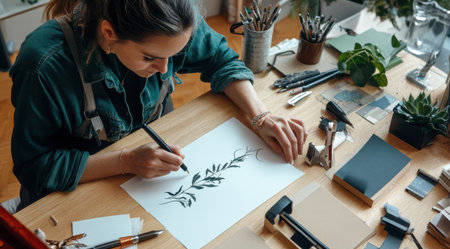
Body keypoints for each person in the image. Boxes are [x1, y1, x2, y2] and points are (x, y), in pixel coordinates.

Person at [10, 0, 307, 211]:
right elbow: (34, 166)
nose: (165, 69)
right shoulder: (44, 65)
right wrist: (125, 162)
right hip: (79, 192)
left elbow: (222, 60)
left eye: (174, 55)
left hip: (153, 182)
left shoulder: (175, 19)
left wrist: (261, 116)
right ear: (109, 33)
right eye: (150, 57)